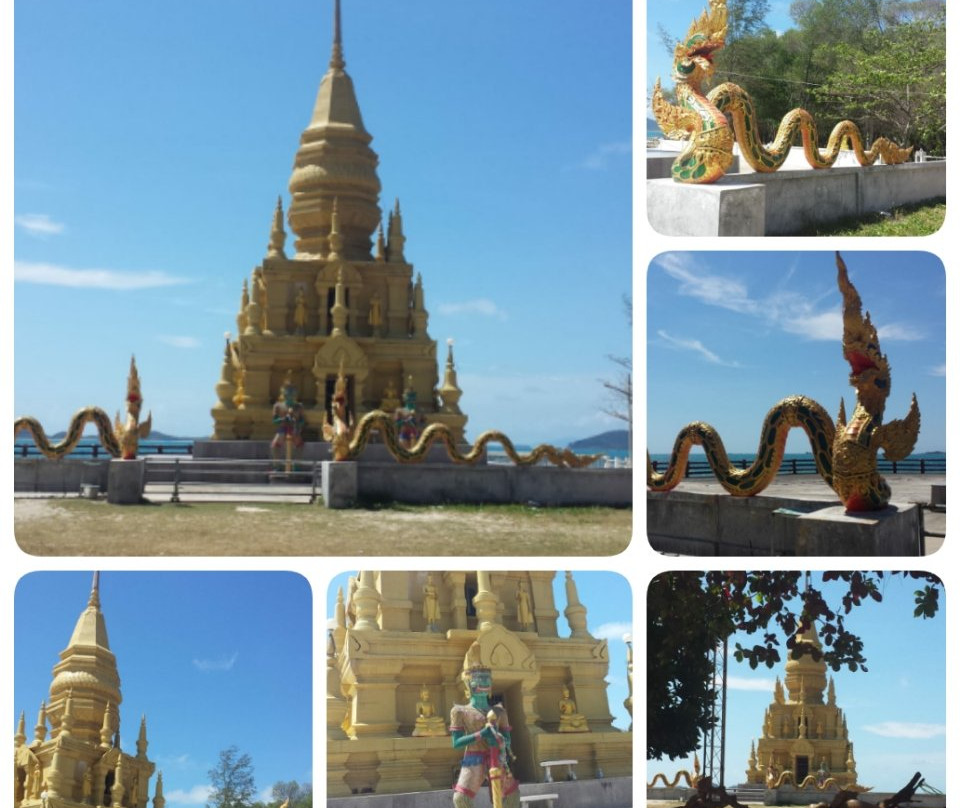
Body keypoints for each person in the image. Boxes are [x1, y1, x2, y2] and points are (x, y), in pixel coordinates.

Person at [450, 654, 519, 808]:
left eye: (487, 678)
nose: (485, 682)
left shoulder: (500, 711)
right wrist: (482, 734)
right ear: (469, 682)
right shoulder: (460, 711)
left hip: (497, 758)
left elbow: (507, 740)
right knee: (460, 799)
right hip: (474, 758)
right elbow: (456, 743)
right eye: (480, 678)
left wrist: (500, 739)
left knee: (512, 797)